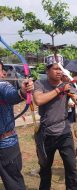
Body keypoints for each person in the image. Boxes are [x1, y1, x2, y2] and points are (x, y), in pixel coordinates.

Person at [33, 54, 77, 190]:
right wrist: (59, 89)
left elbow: (76, 100)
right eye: (55, 68)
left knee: (71, 168)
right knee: (45, 169)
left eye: (60, 69)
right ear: (47, 70)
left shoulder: (66, 84)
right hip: (46, 133)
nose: (59, 71)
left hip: (64, 132)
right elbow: (38, 100)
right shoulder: (40, 83)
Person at [0, 61, 34, 190]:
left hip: (5, 145)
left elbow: (12, 95)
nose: (2, 74)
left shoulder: (3, 86)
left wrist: (23, 91)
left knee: (14, 184)